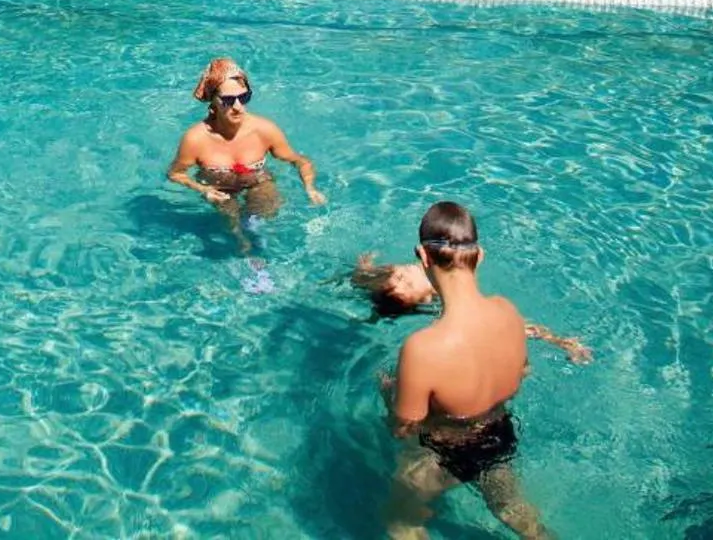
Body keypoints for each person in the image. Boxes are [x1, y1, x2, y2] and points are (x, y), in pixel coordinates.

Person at [380, 202, 554, 540]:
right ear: (480, 255)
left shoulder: (423, 348)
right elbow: (520, 375)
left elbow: (402, 428)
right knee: (518, 515)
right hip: (499, 436)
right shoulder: (509, 313)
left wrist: (388, 390)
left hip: (441, 455)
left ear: (423, 256)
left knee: (401, 522)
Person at [166, 58, 324, 236]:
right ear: (213, 101)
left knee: (265, 210)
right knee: (231, 222)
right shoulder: (195, 138)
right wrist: (204, 190)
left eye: (244, 97)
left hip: (257, 181)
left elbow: (299, 161)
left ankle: (255, 236)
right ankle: (243, 246)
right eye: (227, 100)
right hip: (219, 188)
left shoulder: (264, 129)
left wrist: (310, 188)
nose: (238, 107)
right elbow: (175, 174)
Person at [351, 256, 592, 362]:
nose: (404, 273)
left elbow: (361, 278)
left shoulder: (393, 273)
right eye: (408, 282)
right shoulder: (447, 306)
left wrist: (364, 267)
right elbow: (520, 328)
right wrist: (561, 342)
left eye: (400, 275)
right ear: (426, 298)